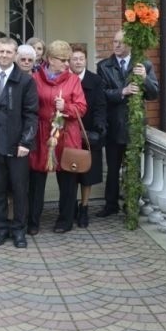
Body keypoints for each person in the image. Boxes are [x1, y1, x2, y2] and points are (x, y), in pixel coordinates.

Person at [97, 30, 159, 217]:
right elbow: (101, 94)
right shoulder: (104, 66)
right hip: (114, 124)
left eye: (121, 42)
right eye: (115, 41)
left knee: (133, 168)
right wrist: (122, 92)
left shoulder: (143, 65)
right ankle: (111, 205)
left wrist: (144, 79)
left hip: (134, 126)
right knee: (113, 169)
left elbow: (154, 93)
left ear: (129, 45)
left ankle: (131, 205)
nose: (117, 45)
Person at [0, 37, 38, 249]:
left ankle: (18, 230)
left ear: (15, 55)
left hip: (17, 145)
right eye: (1, 51)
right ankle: (1, 228)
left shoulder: (25, 81)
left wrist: (26, 141)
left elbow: (31, 114)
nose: (4, 55)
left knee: (19, 189)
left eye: (8, 52)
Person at [28, 40, 87, 235]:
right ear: (50, 60)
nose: (67, 64)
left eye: (68, 60)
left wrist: (66, 108)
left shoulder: (73, 80)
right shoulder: (35, 79)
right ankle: (33, 221)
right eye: (63, 60)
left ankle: (65, 220)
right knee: (36, 180)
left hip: (67, 132)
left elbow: (81, 107)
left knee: (68, 180)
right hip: (41, 132)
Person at [69, 44, 107, 227]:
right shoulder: (65, 79)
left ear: (86, 60)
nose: (77, 62)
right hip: (68, 135)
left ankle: (84, 208)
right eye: (74, 59)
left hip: (89, 134)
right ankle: (70, 207)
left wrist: (99, 127)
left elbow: (100, 106)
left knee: (87, 175)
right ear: (69, 61)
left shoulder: (95, 80)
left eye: (80, 59)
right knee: (70, 173)